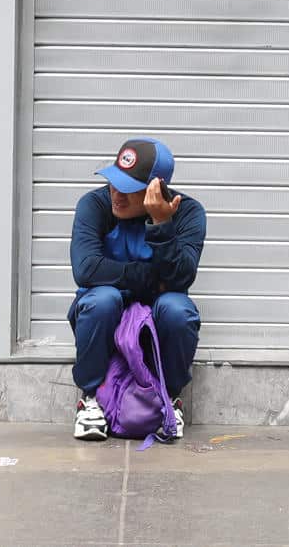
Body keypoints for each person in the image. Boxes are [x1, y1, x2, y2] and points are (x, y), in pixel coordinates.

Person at [68, 137, 207, 442]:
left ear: (155, 190)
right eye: (114, 182)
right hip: (106, 317)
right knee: (102, 299)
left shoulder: (187, 213)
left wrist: (160, 224)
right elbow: (86, 269)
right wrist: (150, 279)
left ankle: (170, 400)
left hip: (155, 325)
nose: (116, 193)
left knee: (178, 309)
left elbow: (180, 279)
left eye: (128, 189)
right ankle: (88, 399)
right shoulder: (94, 205)